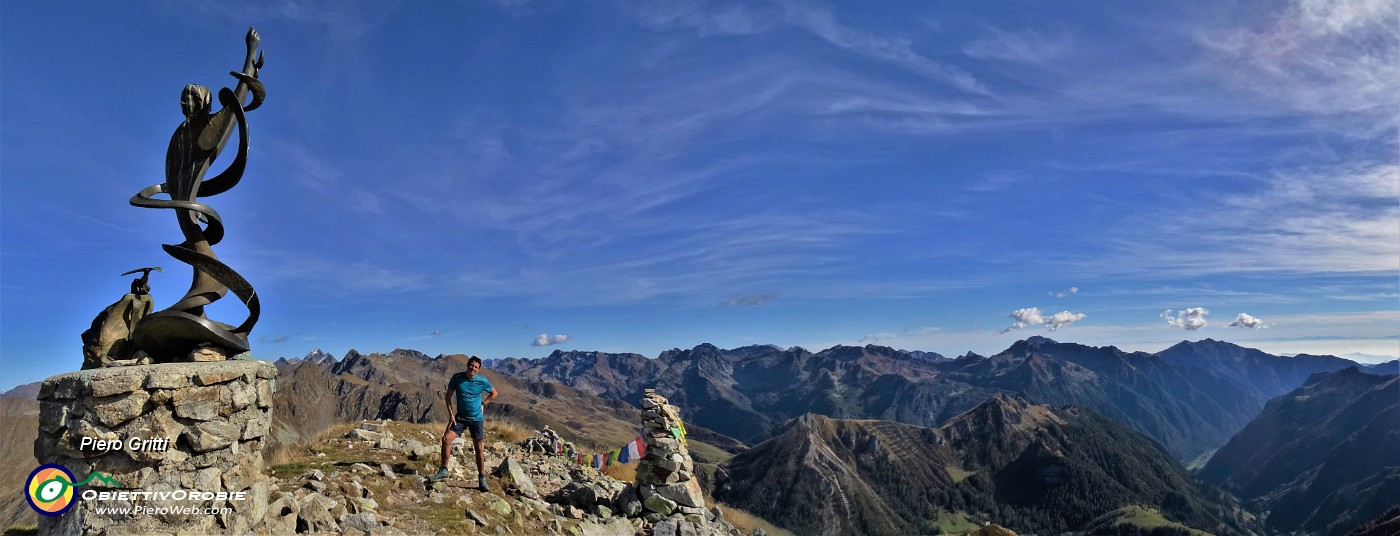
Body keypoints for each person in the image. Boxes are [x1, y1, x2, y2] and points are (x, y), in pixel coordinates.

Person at [432, 356, 497, 490]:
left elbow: (494, 393)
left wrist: (484, 404)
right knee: (446, 439)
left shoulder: (482, 381)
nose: (473, 368)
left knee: (478, 448)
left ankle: (482, 479)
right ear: (467, 365)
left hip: (476, 419)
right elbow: (448, 397)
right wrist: (451, 415)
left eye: (476, 367)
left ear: (478, 370)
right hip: (460, 418)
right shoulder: (457, 378)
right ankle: (444, 471)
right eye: (471, 365)